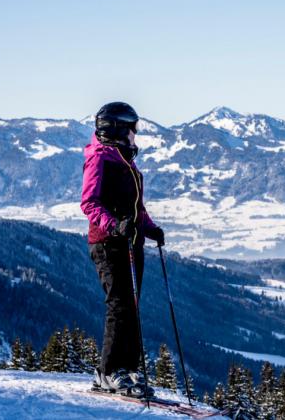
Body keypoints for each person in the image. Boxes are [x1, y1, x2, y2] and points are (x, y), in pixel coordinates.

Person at [80, 101, 165, 393]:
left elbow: (136, 207)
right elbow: (90, 203)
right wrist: (115, 225)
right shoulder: (100, 159)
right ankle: (107, 372)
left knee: (132, 306)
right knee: (119, 306)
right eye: (132, 128)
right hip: (108, 243)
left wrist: (150, 228)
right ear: (117, 128)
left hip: (131, 241)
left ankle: (128, 369)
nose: (135, 134)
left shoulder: (124, 159)